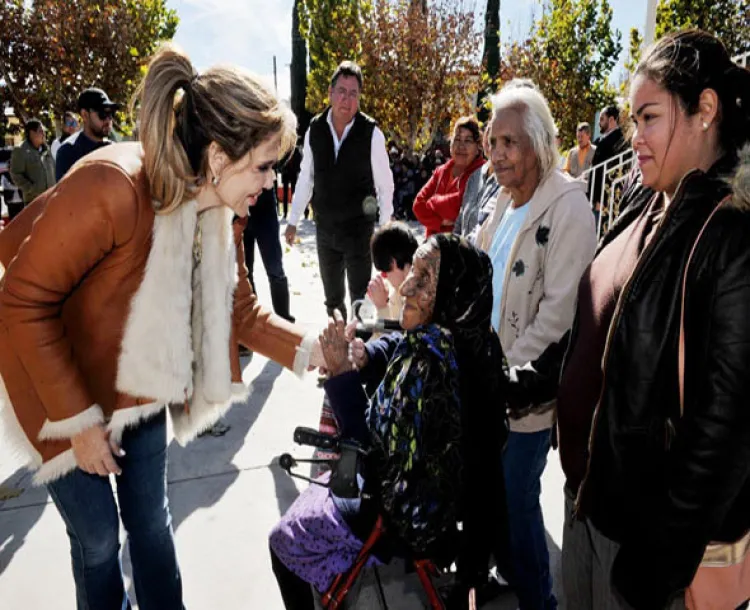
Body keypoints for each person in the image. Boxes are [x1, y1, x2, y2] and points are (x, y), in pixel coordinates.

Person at [0, 44, 325, 610]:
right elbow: (22, 301)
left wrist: (317, 348)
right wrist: (78, 423)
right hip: (50, 379)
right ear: (220, 157)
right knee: (99, 537)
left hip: (138, 382)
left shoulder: (223, 211)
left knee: (150, 521)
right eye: (266, 166)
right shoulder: (112, 186)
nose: (272, 182)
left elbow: (242, 311)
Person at [510, 30, 750, 610]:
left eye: (648, 118)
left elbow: (725, 434)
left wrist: (657, 565)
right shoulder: (648, 205)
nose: (633, 137)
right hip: (587, 510)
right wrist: (527, 381)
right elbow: (598, 333)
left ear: (705, 111)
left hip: (645, 550)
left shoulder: (732, 238)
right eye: (632, 119)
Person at [269, 234, 508, 610]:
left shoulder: (431, 367)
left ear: (449, 292)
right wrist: (365, 355)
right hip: (428, 501)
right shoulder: (471, 339)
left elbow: (374, 456)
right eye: (412, 269)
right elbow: (398, 343)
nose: (408, 285)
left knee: (281, 540)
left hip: (402, 512)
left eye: (425, 278)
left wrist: (342, 375)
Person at [476, 79, 597, 610]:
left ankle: (539, 601)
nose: (497, 155)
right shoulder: (502, 200)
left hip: (526, 395)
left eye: (510, 143)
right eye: (492, 142)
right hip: (487, 382)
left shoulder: (567, 206)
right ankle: (507, 576)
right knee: (494, 496)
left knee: (516, 497)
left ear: (540, 143)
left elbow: (560, 316)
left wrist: (503, 371)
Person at [285, 61, 394, 319]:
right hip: (326, 231)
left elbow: (385, 185)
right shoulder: (315, 129)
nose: (347, 99)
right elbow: (305, 179)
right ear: (331, 93)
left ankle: (360, 351)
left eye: (353, 93)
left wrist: (384, 229)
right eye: (342, 91)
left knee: (360, 297)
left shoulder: (372, 133)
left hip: (359, 232)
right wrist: (293, 220)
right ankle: (339, 348)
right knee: (332, 300)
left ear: (359, 98)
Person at [413, 116, 485, 237]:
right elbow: (418, 205)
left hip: (460, 248)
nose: (461, 146)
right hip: (432, 247)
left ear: (478, 147)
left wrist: (433, 201)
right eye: (457, 139)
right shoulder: (441, 171)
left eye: (467, 140)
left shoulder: (482, 172)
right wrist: (440, 222)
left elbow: (458, 204)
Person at [244, 187, 295, 322]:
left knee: (275, 268)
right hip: (238, 207)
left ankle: (284, 322)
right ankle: (250, 323)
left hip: (264, 205)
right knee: (244, 272)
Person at [55, 87, 119, 180]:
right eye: (103, 113)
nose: (108, 119)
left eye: (111, 113)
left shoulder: (114, 149)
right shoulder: (68, 153)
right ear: (85, 115)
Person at [454, 124, 500, 241]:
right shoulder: (475, 176)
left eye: (494, 140)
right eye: (487, 139)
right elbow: (461, 217)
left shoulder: (506, 182)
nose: (489, 145)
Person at [9, 119, 55, 210]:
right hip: (33, 202)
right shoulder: (20, 150)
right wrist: (31, 189)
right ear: (32, 133)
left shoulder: (47, 149)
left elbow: (54, 168)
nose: (44, 134)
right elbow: (15, 174)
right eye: (41, 131)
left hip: (51, 199)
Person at [588, 104, 628, 207]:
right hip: (593, 198)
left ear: (611, 120)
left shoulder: (619, 141)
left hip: (604, 202)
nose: (598, 122)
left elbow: (611, 172)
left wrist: (600, 199)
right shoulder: (600, 141)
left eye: (602, 119)